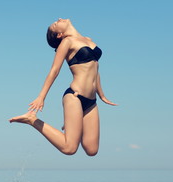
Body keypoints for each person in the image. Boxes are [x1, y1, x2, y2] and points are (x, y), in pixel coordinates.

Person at [9, 18, 116, 156]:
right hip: (75, 96)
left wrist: (101, 95)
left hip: (91, 101)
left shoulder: (87, 39)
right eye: (55, 24)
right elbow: (54, 70)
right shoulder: (67, 42)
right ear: (59, 35)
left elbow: (95, 68)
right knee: (69, 148)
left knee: (92, 150)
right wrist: (41, 97)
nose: (59, 19)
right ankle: (32, 120)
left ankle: (73, 122)